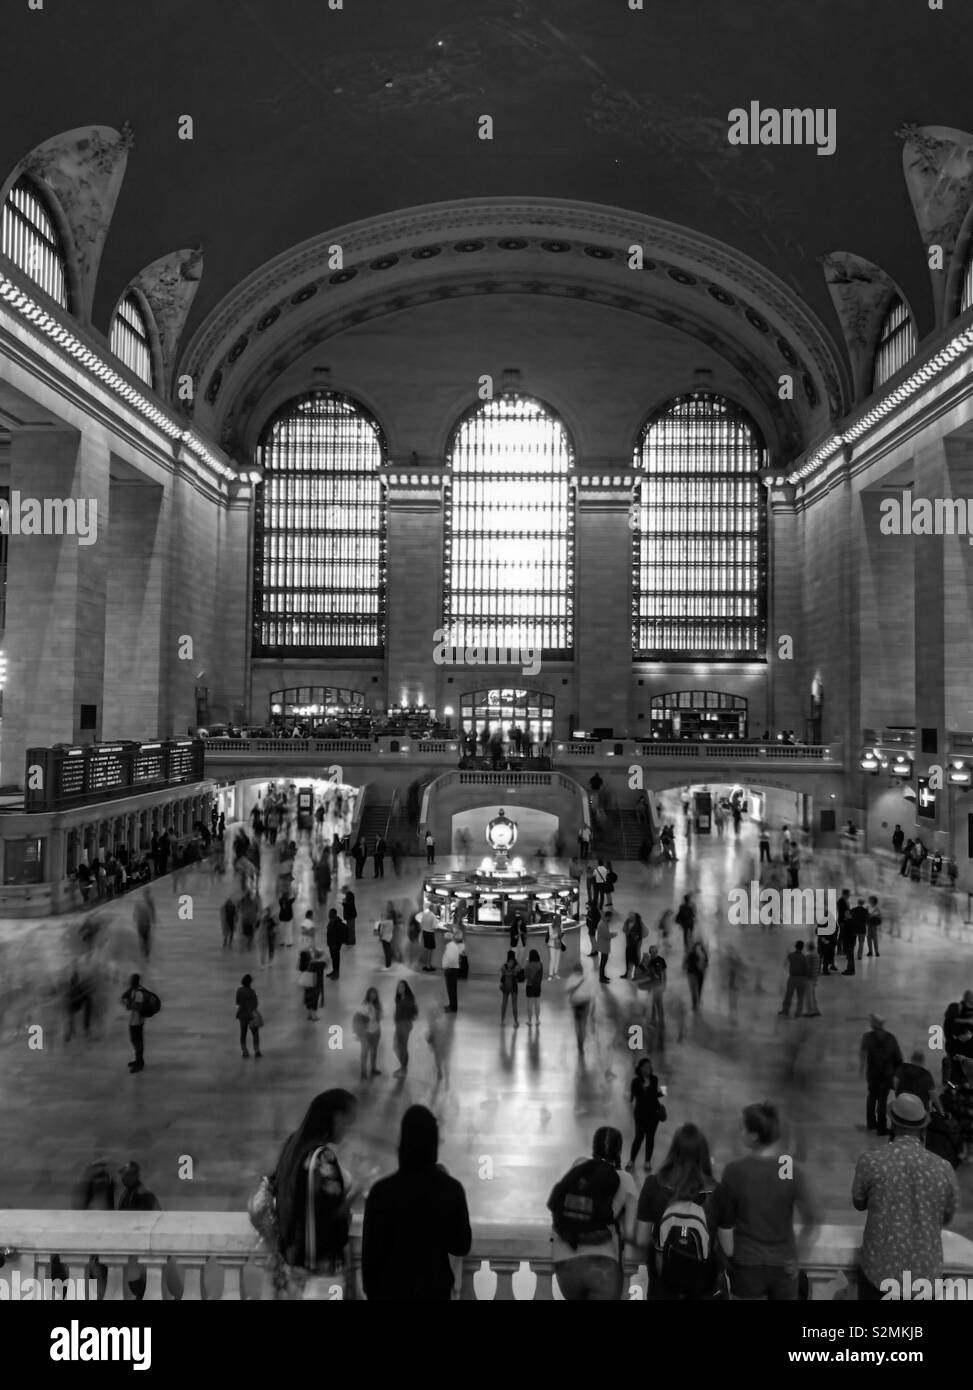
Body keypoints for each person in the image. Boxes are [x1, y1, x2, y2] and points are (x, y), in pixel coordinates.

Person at [852, 1091, 959, 1300]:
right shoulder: (943, 1168)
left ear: (893, 1123)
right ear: (922, 1127)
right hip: (925, 1278)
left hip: (878, 1272)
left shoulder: (871, 1161)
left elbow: (859, 1202)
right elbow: (946, 1217)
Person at [362, 1105, 472, 1300]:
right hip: (434, 1289)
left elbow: (370, 1259)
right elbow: (461, 1245)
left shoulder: (381, 1192)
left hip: (390, 1291)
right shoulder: (450, 1189)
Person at [713, 1102, 820, 1301]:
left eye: (742, 1127)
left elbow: (725, 1220)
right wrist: (799, 1256)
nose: (740, 1132)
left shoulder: (735, 1171)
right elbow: (812, 1220)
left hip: (747, 1264)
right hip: (784, 1265)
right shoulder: (789, 1167)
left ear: (753, 1135)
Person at [270, 1089, 358, 1299]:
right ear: (336, 1117)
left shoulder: (294, 1146)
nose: (348, 1129)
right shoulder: (322, 1159)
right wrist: (359, 1190)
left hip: (290, 1269)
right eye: (348, 1121)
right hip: (319, 1274)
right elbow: (331, 1215)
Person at [635, 1123, 724, 1301]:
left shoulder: (653, 1184)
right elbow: (727, 1246)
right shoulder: (717, 1191)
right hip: (703, 1283)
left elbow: (641, 1239)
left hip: (664, 1284)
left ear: (673, 1150)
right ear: (704, 1153)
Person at [548, 1126, 637, 1301]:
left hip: (565, 1261)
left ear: (593, 1148)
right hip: (602, 1263)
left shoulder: (580, 1165)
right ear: (619, 1151)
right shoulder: (626, 1180)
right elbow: (630, 1233)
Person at [860, 1014, 904, 1136]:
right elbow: (898, 1058)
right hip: (886, 1075)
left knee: (872, 1098)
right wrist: (897, 1074)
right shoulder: (890, 1038)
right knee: (882, 1101)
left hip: (872, 1074)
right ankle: (881, 1127)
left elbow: (863, 1054)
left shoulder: (867, 1037)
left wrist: (861, 1069)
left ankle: (871, 1123)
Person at [626, 1057, 665, 1172]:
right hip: (640, 1115)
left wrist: (664, 1090)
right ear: (641, 1068)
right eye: (646, 1067)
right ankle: (631, 1160)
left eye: (650, 1067)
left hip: (654, 1114)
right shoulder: (635, 1081)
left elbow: (656, 1095)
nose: (649, 1069)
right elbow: (632, 1097)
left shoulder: (654, 1079)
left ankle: (647, 1161)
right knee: (638, 1137)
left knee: (650, 1138)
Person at [120, 974, 149, 1072]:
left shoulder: (139, 993)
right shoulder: (133, 989)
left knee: (137, 1041)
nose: (130, 982)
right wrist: (126, 1001)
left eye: (131, 980)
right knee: (134, 1040)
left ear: (136, 981)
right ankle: (138, 1060)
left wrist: (129, 1005)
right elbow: (124, 997)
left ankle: (139, 1063)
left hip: (138, 1021)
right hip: (134, 1020)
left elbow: (138, 1007)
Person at [636, 944, 667, 1031]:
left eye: (654, 952)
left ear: (656, 952)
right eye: (651, 952)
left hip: (658, 986)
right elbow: (643, 972)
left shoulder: (661, 960)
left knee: (659, 1005)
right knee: (652, 1005)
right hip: (650, 986)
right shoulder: (648, 961)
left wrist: (664, 984)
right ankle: (653, 1021)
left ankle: (661, 1022)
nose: (652, 954)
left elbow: (664, 973)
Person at [354, 987, 383, 1080]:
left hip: (376, 1031)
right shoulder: (363, 1005)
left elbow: (380, 1017)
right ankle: (363, 1072)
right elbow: (357, 1019)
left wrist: (376, 1015)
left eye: (374, 993)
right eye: (371, 993)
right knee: (365, 1052)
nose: (373, 995)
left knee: (374, 1051)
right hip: (366, 1033)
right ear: (368, 994)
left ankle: (373, 1069)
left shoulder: (378, 1005)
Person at [566, 963, 595, 1055]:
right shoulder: (587, 979)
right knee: (583, 1023)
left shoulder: (571, 979)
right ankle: (581, 1041)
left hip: (576, 1003)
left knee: (577, 1023)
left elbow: (567, 991)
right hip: (585, 1003)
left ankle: (579, 1041)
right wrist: (593, 1010)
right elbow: (592, 995)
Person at [392, 980, 419, 1077]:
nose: (400, 989)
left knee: (400, 1047)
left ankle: (403, 1069)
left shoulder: (407, 1000)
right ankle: (403, 1067)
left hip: (403, 1025)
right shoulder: (400, 998)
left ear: (406, 988)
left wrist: (407, 1020)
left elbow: (414, 1011)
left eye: (402, 987)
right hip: (401, 1025)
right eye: (399, 987)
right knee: (398, 1046)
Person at [779, 940, 809, 1018]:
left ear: (795, 947)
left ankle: (785, 1010)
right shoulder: (804, 958)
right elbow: (806, 969)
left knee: (788, 995)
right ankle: (798, 1012)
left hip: (792, 978)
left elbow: (785, 963)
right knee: (800, 997)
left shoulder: (791, 956)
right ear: (802, 948)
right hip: (802, 979)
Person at [236, 973, 262, 1058]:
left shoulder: (239, 991)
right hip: (251, 1016)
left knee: (243, 1033)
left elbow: (238, 1002)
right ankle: (256, 1050)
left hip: (242, 1015)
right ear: (250, 982)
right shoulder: (252, 992)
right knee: (255, 1033)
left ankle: (244, 1051)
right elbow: (255, 1004)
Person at [442, 929, 464, 1013]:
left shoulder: (451, 946)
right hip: (452, 969)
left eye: (444, 939)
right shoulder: (453, 945)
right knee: (452, 989)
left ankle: (453, 1007)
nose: (443, 940)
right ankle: (452, 1005)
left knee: (451, 989)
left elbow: (450, 958)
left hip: (450, 970)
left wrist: (446, 967)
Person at [685, 936, 709, 1012]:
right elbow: (686, 963)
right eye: (697, 948)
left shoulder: (703, 954)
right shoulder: (691, 954)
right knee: (693, 990)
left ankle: (697, 1000)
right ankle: (694, 1003)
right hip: (692, 974)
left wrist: (702, 960)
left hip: (700, 974)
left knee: (699, 989)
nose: (698, 949)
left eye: (699, 947)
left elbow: (706, 963)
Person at [621, 911, 645, 981]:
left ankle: (637, 975)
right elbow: (624, 930)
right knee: (627, 960)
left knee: (635, 961)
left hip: (635, 945)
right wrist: (628, 932)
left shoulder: (638, 924)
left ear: (634, 917)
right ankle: (627, 974)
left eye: (631, 916)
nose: (629, 917)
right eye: (629, 916)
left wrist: (638, 947)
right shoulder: (627, 922)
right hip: (628, 944)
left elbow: (639, 936)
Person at [499, 950, 521, 1026]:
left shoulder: (504, 966)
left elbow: (502, 976)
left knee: (504, 1003)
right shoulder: (517, 966)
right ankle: (515, 1021)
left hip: (505, 986)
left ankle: (502, 1021)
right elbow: (519, 975)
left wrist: (501, 983)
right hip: (514, 986)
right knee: (514, 1004)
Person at [133, 888, 155, 960]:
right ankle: (145, 952)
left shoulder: (140, 903)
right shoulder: (148, 902)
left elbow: (135, 913)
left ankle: (143, 951)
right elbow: (152, 911)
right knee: (146, 939)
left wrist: (135, 919)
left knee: (143, 938)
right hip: (144, 924)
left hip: (141, 924)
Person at [595, 910, 617, 983]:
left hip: (604, 945)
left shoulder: (604, 922)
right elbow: (606, 935)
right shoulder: (602, 924)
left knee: (603, 962)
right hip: (603, 946)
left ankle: (603, 976)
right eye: (611, 917)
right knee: (603, 963)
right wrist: (614, 934)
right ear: (608, 917)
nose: (611, 919)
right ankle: (601, 978)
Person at [524, 948, 544, 1026]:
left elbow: (525, 975)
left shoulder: (528, 965)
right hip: (538, 986)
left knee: (529, 1004)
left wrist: (527, 963)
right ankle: (537, 1020)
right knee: (537, 1003)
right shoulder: (540, 964)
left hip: (530, 986)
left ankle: (529, 1021)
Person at [325, 908, 346, 979]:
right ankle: (334, 971)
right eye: (329, 913)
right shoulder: (332, 921)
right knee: (334, 959)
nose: (329, 915)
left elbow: (337, 935)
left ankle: (336, 974)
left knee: (336, 959)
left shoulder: (337, 922)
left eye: (330, 913)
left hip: (335, 945)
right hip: (332, 944)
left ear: (334, 914)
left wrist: (334, 944)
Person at [803, 938, 821, 1016]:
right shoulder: (816, 955)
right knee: (813, 995)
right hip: (815, 978)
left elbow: (807, 967)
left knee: (808, 995)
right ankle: (816, 1009)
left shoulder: (809, 956)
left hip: (809, 978)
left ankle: (810, 1011)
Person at [418, 903, 439, 972]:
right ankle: (428, 966)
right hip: (430, 933)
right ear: (433, 909)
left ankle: (426, 964)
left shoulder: (425, 914)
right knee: (430, 950)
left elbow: (421, 923)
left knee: (427, 948)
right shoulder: (433, 916)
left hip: (424, 932)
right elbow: (434, 927)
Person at [546, 911, 565, 980]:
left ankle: (555, 973)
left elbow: (563, 934)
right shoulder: (550, 927)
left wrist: (562, 935)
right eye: (559, 920)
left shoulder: (561, 926)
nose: (560, 922)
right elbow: (551, 936)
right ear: (556, 920)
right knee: (552, 960)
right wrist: (558, 934)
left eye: (560, 920)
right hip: (552, 945)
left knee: (557, 959)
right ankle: (550, 974)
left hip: (559, 944)